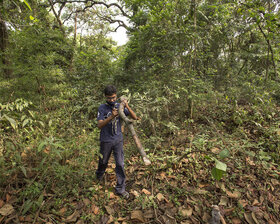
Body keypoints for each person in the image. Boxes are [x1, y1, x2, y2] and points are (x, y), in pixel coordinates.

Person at [96, 85, 138, 199]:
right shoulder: (102, 108)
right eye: (109, 98)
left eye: (114, 97)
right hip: (106, 140)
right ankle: (98, 177)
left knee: (120, 163)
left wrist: (127, 105)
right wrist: (111, 117)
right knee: (103, 161)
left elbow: (134, 117)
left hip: (118, 140)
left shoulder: (119, 106)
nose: (112, 100)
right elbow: (99, 125)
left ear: (116, 96)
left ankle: (121, 188)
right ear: (105, 97)